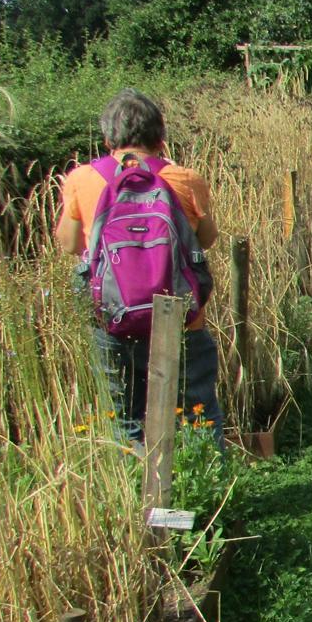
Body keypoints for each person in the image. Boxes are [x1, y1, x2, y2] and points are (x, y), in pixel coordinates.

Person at [55, 88, 223, 443]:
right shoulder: (184, 179)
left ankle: (136, 495)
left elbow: (69, 244)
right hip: (182, 320)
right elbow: (207, 239)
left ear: (107, 138)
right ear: (160, 138)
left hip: (113, 321)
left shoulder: (82, 179)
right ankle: (206, 496)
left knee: (125, 421)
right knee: (198, 415)